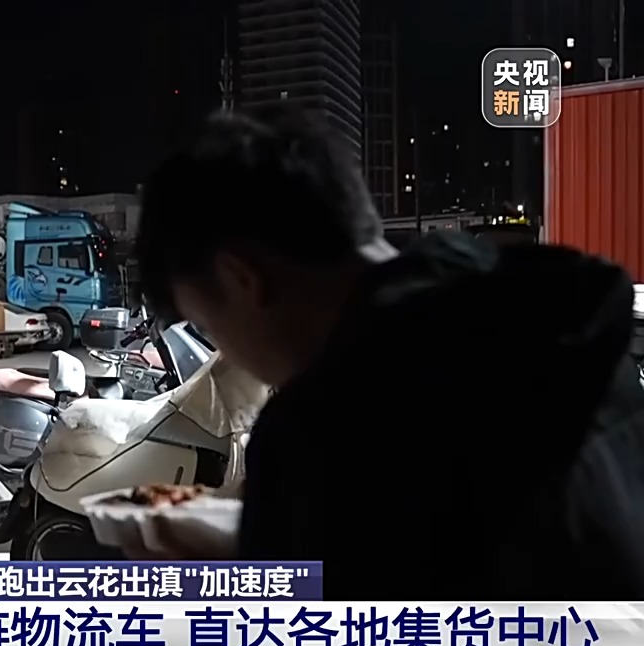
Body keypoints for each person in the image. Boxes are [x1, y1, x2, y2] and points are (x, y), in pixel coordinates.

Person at [131, 108, 644, 600]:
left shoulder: (325, 429)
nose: (229, 350)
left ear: (241, 278)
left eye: (209, 323)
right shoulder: (551, 314)